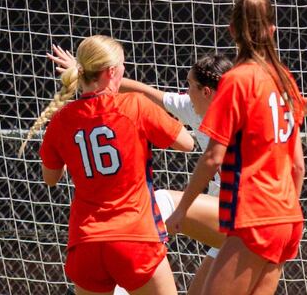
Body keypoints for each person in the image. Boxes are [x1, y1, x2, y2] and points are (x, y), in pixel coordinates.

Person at [47, 46, 307, 295]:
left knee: (162, 203)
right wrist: (83, 78)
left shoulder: (250, 108)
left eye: (188, 86)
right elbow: (137, 90)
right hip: (230, 227)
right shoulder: (190, 106)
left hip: (254, 221)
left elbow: (304, 105)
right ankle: (126, 272)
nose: (181, 93)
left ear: (206, 90)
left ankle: (124, 276)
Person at [24, 35, 194, 295]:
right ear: (113, 71)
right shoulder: (134, 105)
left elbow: (50, 178)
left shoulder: (61, 120)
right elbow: (186, 143)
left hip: (86, 242)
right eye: (122, 66)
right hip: (134, 237)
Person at [167, 0, 307, 295]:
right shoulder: (286, 80)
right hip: (287, 217)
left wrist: (182, 209)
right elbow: (298, 165)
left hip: (254, 214)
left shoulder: (237, 79)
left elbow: (213, 157)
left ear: (232, 31)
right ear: (273, 29)